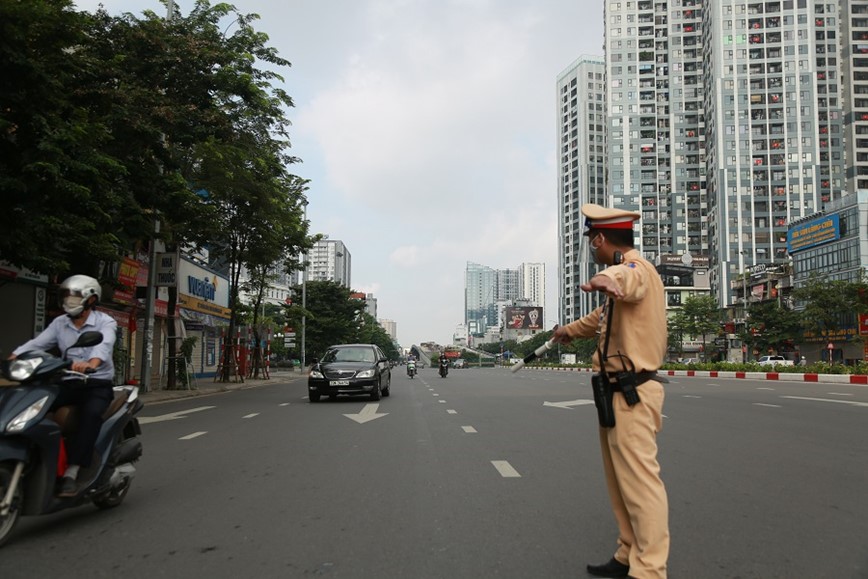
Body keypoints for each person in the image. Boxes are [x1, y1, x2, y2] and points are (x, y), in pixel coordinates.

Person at [551, 204, 669, 579]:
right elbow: (599, 320)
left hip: (633, 393)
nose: (591, 248)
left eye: (591, 241)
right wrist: (567, 330)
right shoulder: (621, 284)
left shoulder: (636, 271)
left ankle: (649, 571)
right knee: (621, 484)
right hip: (613, 393)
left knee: (640, 484)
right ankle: (627, 553)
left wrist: (607, 278)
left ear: (600, 239)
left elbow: (626, 277)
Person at [9, 274, 117, 497]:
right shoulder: (60, 323)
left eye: (75, 296)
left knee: (91, 414)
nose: (69, 300)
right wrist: (12, 358)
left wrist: (90, 364)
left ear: (90, 299)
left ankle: (72, 471)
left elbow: (103, 347)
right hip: (66, 383)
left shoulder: (105, 322)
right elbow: (37, 344)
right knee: (28, 403)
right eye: (66, 295)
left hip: (95, 383)